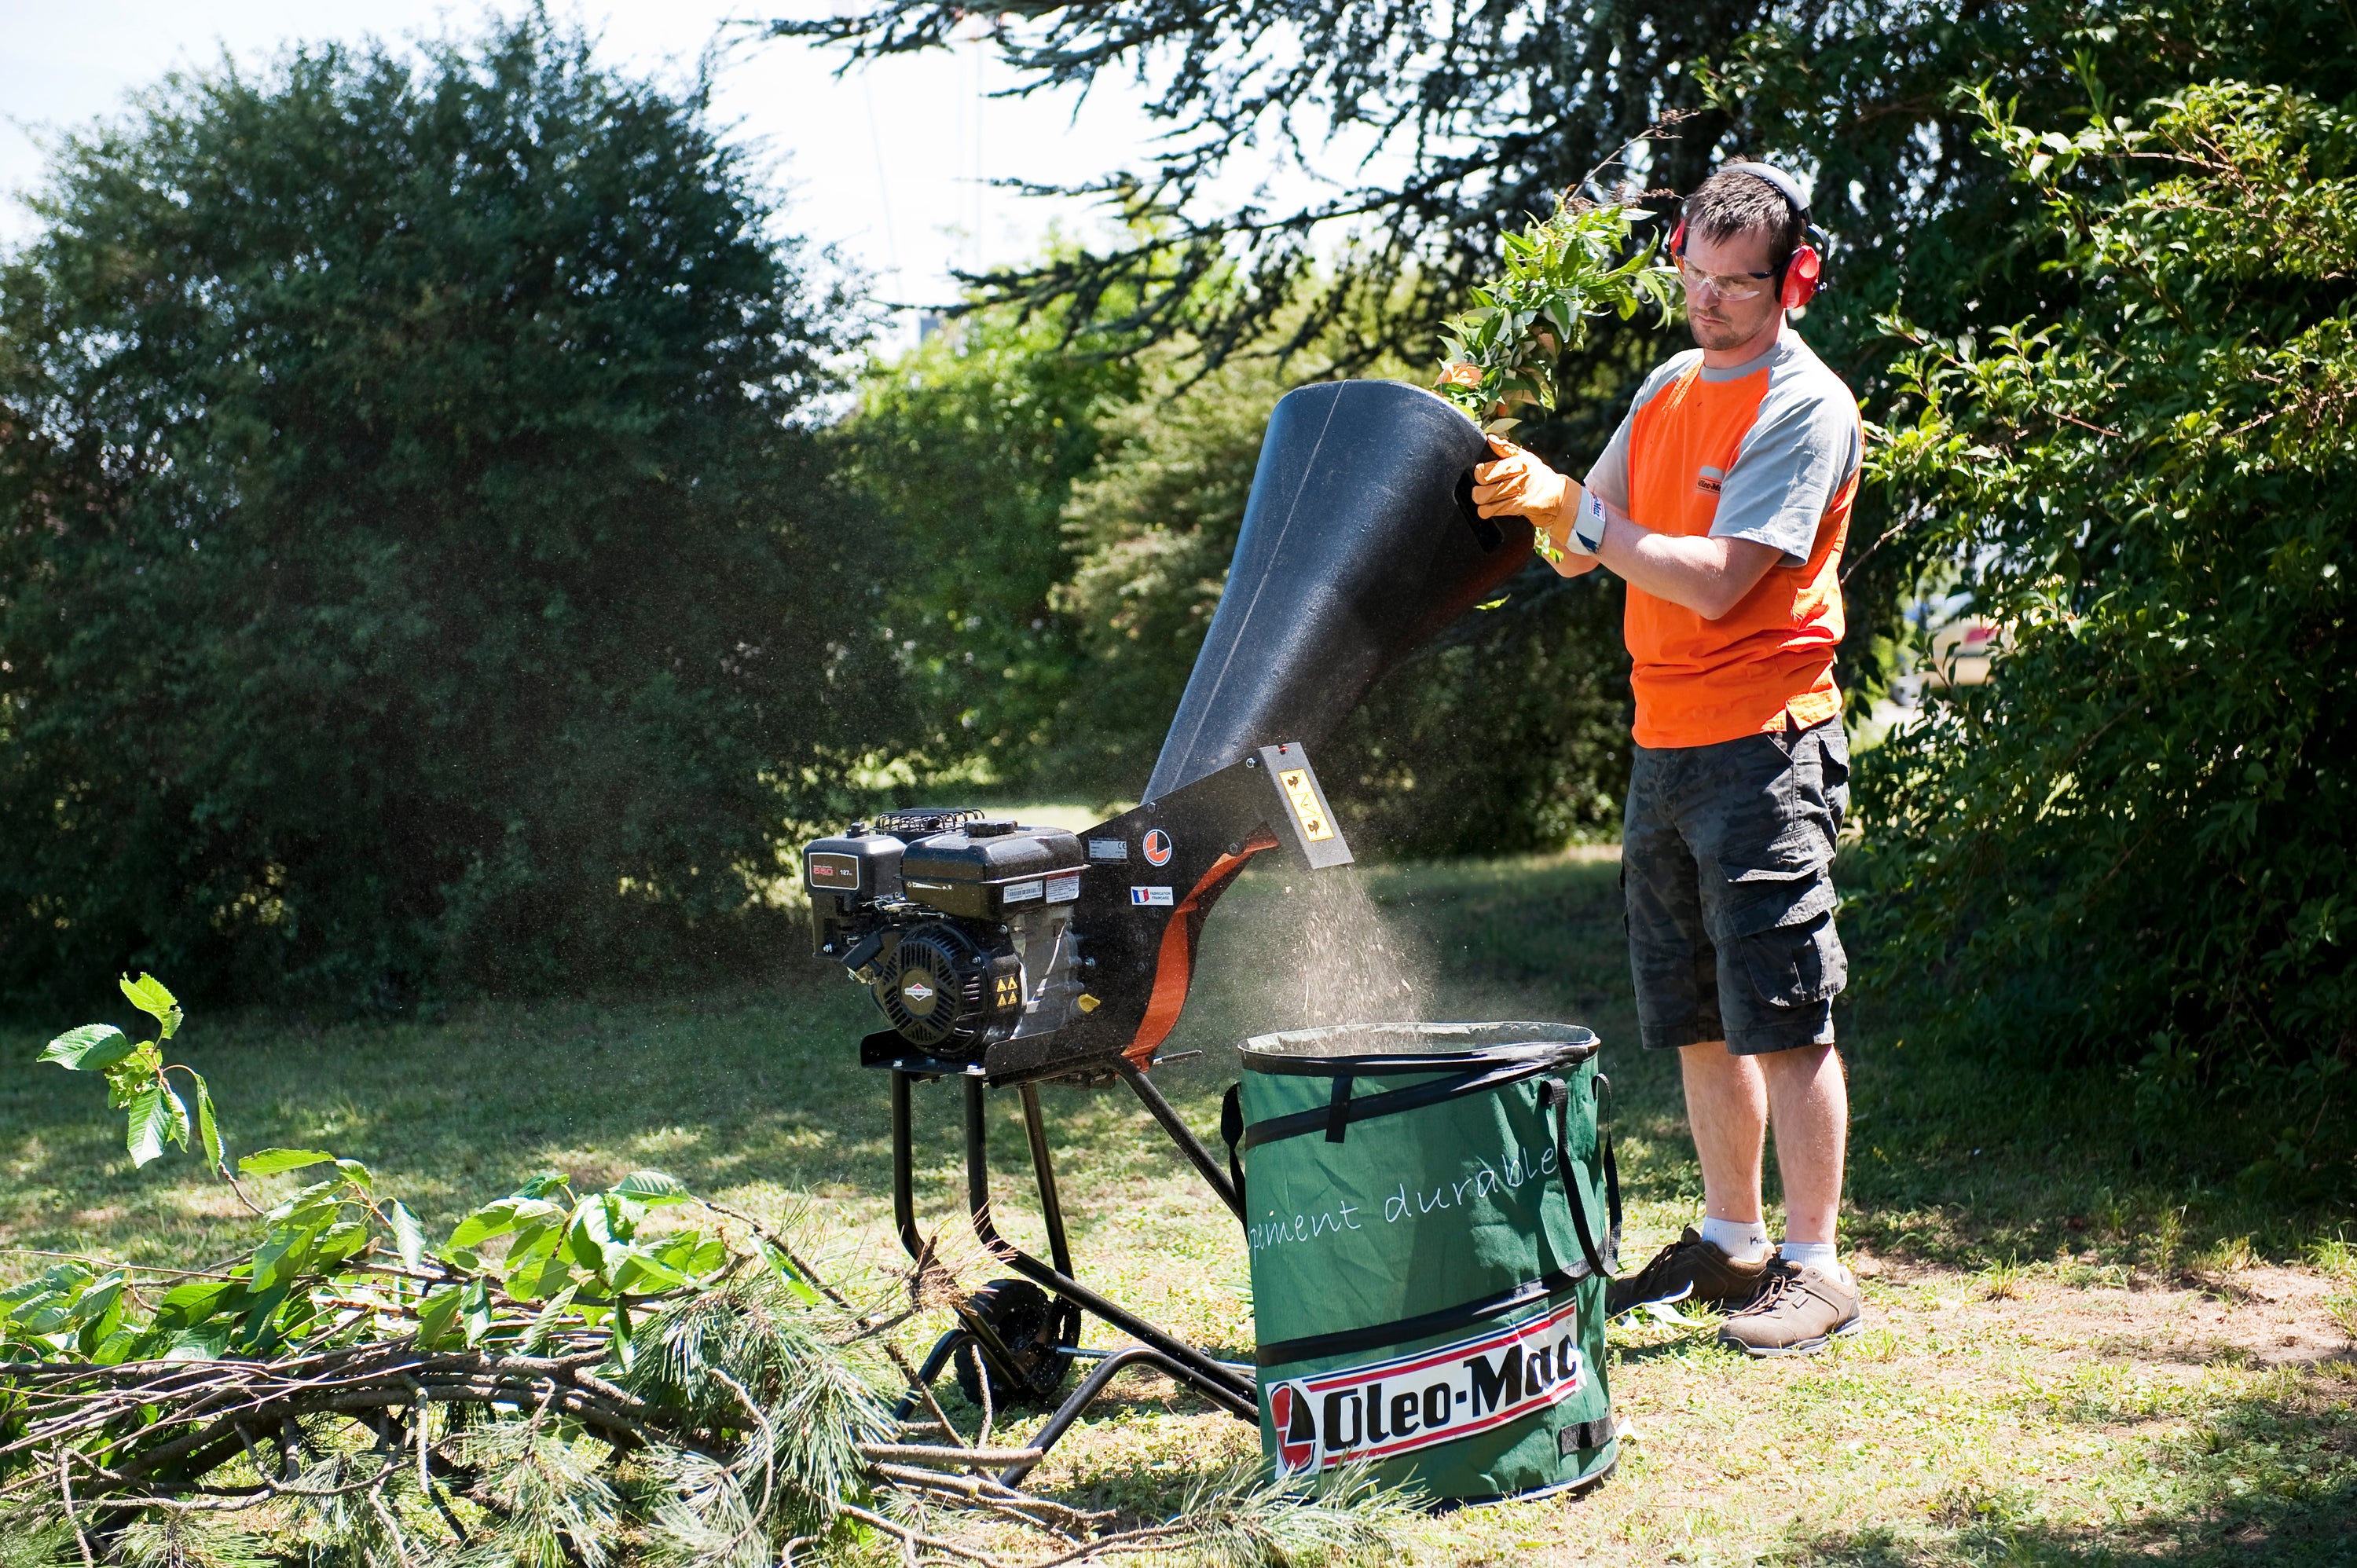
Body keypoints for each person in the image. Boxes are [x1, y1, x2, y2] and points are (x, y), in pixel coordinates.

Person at [1471, 161, 1864, 1357]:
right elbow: (1584, 554)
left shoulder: (1806, 408)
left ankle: (1816, 1267)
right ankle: (1734, 1245)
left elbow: (1715, 577)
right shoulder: (1668, 385)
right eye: (1692, 274)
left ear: (1790, 281)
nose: (1706, 302)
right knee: (1699, 1017)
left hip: (1765, 744)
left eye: (1735, 285)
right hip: (1665, 742)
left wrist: (1579, 517)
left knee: (1788, 1015)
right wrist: (1529, 503)